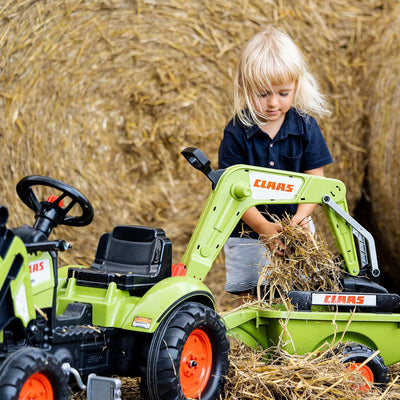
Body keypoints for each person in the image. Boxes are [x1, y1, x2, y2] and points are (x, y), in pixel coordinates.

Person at [218, 25, 333, 301]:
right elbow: (231, 192)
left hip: (296, 227)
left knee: (299, 293)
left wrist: (300, 219)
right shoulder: (236, 131)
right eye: (262, 94)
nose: (273, 103)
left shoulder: (306, 127)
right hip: (248, 230)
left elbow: (316, 181)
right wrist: (264, 230)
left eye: (283, 93)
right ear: (245, 88)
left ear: (296, 85)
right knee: (251, 294)